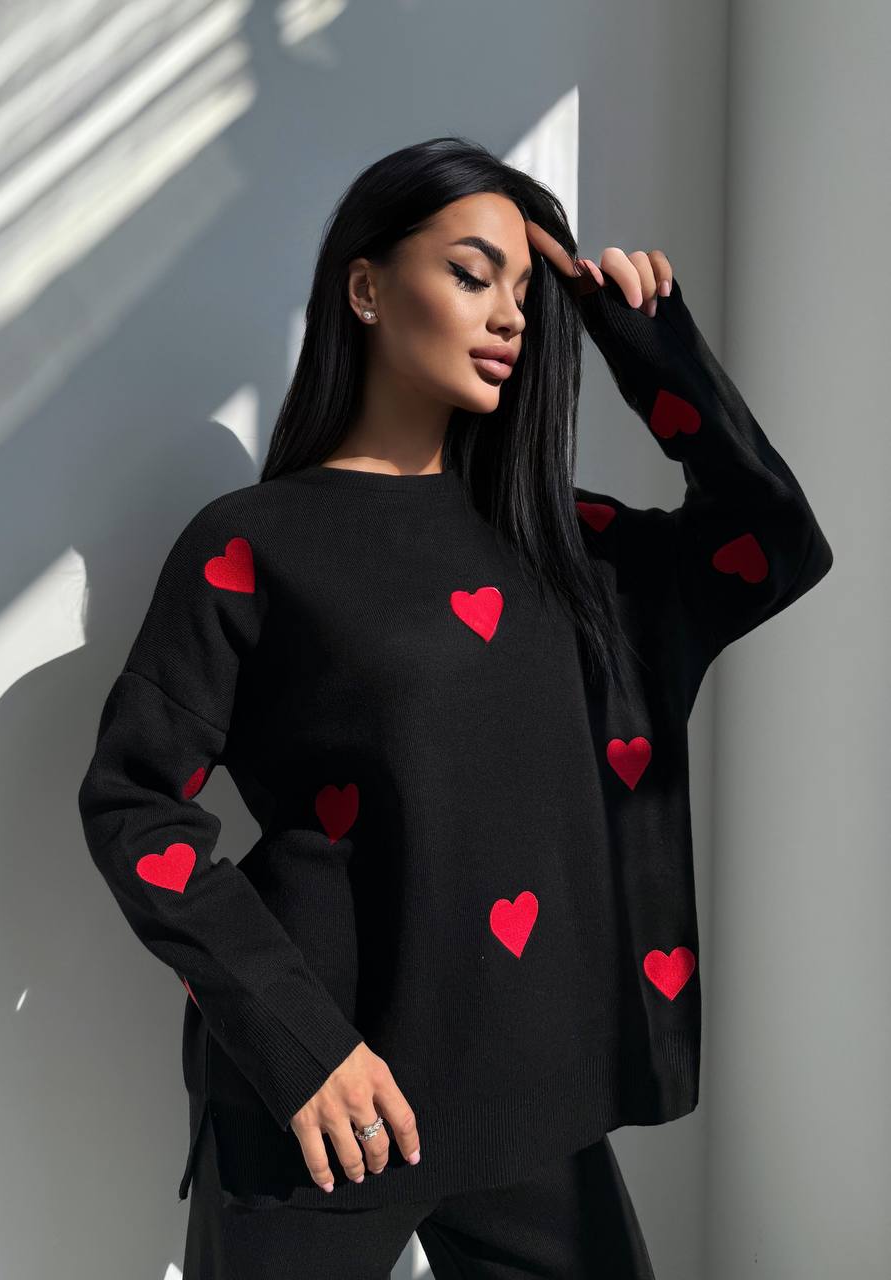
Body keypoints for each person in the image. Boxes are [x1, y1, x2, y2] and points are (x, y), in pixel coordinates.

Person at [77, 135, 833, 1278]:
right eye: (474, 274)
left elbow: (773, 545)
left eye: (527, 292)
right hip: (331, 1104)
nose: (510, 315)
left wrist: (646, 343)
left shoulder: (568, 545)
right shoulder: (253, 545)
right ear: (366, 287)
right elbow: (135, 804)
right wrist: (299, 1044)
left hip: (535, 1100)